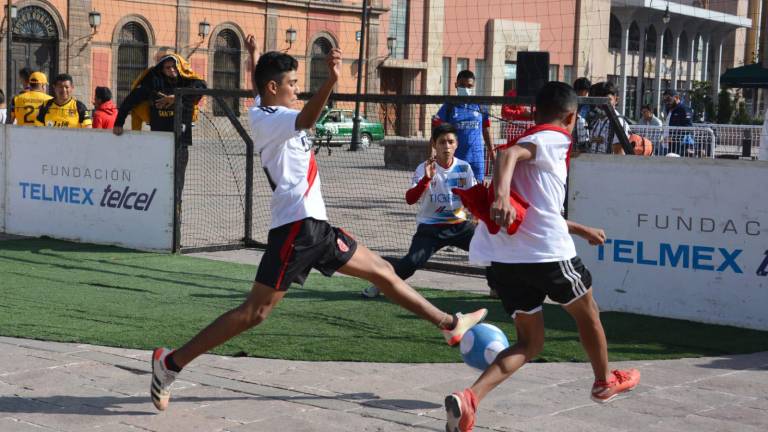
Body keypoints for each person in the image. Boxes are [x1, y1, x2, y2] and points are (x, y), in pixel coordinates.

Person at [147, 46, 488, 412]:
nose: (297, 89)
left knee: (384, 272)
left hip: (315, 227)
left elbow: (269, 89)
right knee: (254, 313)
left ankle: (448, 324)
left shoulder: (268, 108)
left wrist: (251, 56)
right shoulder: (270, 118)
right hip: (296, 228)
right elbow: (307, 119)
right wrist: (332, 80)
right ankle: (170, 363)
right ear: (275, 88)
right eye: (293, 83)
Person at [444, 82, 640, 432]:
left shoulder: (537, 139)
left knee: (529, 343)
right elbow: (506, 156)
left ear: (535, 111)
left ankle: (470, 399)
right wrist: (501, 196)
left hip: (506, 260)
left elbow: (538, 209)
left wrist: (580, 229)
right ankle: (603, 382)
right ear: (571, 116)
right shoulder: (554, 136)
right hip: (546, 256)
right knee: (588, 314)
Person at [361, 123, 477, 298]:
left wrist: (478, 214)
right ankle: (381, 283)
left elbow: (472, 198)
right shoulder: (424, 168)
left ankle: (495, 288)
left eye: (450, 142)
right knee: (412, 263)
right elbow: (410, 199)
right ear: (434, 144)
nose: (446, 146)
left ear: (456, 144)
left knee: (491, 248)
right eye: (442, 142)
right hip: (431, 227)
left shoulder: (464, 168)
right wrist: (426, 179)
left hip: (459, 226)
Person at [113, 53, 206, 202]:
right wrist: (119, 122)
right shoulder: (153, 83)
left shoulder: (186, 81)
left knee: (177, 183)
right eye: (167, 67)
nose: (172, 70)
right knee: (160, 180)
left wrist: (176, 97)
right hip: (160, 140)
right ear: (162, 70)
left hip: (181, 141)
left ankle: (176, 213)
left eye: (174, 66)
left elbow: (202, 86)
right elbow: (129, 100)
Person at [433, 70, 493, 183]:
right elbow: (436, 131)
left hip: (477, 160)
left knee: (478, 193)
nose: (465, 88)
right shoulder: (449, 106)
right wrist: (433, 153)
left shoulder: (480, 105)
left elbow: (486, 130)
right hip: (456, 160)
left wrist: (492, 153)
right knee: (457, 195)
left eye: (469, 86)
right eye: (462, 85)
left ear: (473, 86)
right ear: (456, 85)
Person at [587, 81, 631, 154]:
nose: (603, 104)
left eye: (607, 100)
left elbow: (619, 155)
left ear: (616, 100)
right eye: (599, 100)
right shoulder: (597, 120)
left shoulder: (618, 122)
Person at [662, 90, 694, 156]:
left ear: (676, 97)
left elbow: (688, 127)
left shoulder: (684, 109)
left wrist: (673, 137)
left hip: (680, 144)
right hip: (668, 143)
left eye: (668, 99)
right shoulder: (668, 109)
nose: (666, 102)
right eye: (665, 100)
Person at [572, 77, 592, 152]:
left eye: (586, 91)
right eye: (579, 91)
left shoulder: (591, 106)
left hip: (586, 142)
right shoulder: (572, 104)